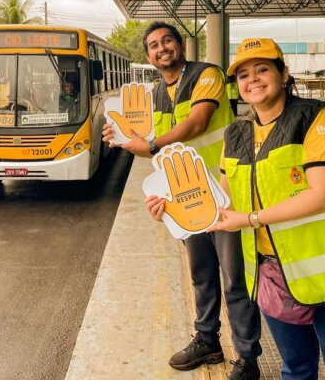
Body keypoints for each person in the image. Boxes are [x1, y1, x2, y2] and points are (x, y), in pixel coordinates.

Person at [208, 38, 325, 380]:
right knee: (296, 369)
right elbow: (225, 202)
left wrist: (251, 219)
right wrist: (175, 210)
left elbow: (324, 195)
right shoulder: (235, 133)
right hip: (273, 275)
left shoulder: (315, 117)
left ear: (283, 74)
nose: (252, 79)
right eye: (243, 75)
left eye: (262, 69)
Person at [103, 22, 262, 380]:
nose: (162, 48)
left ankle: (248, 358)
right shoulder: (156, 93)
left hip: (225, 193)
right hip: (186, 197)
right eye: (154, 45)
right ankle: (208, 340)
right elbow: (149, 145)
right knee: (201, 274)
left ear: (180, 45)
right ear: (148, 56)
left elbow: (197, 123)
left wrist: (148, 144)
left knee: (234, 279)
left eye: (167, 41)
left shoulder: (207, 75)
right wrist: (122, 137)